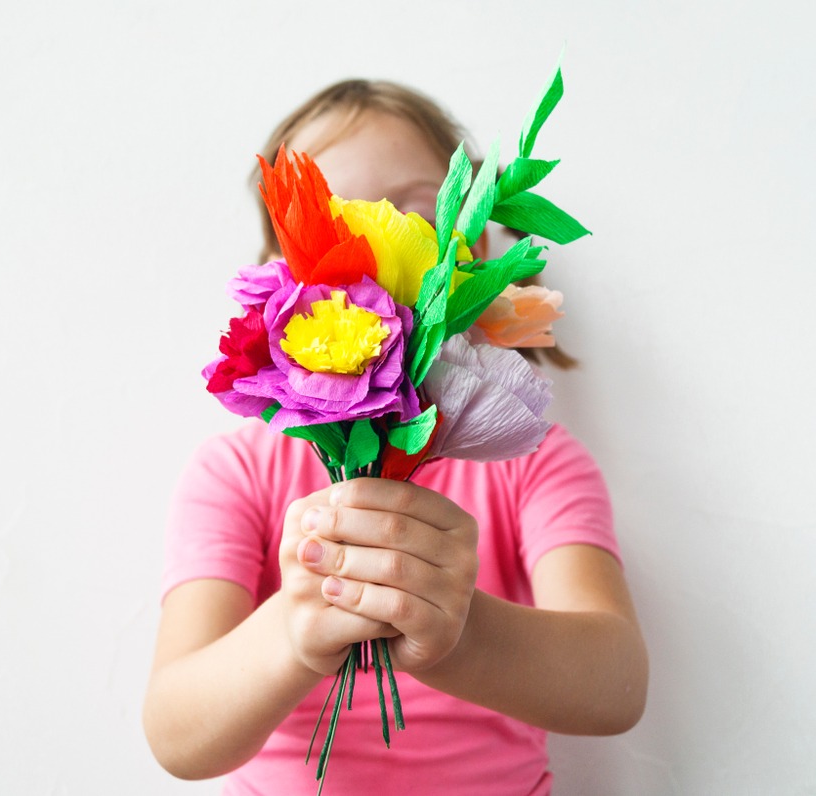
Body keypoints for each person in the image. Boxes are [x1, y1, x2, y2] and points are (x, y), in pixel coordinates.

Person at [143, 79, 649, 796]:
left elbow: (616, 686)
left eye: (415, 211)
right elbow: (176, 733)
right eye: (334, 223)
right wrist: (293, 631)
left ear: (473, 252)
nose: (376, 251)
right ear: (279, 286)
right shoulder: (237, 473)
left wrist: (460, 634)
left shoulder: (530, 463)